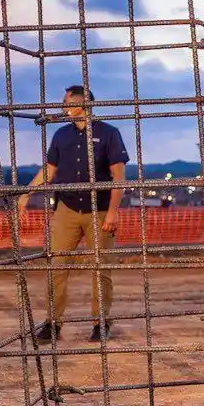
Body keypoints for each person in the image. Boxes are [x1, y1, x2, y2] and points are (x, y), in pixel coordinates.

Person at [24, 85, 128, 342]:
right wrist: (25, 193)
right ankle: (52, 323)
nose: (62, 107)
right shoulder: (60, 136)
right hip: (66, 209)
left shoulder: (109, 134)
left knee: (100, 268)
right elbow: (49, 171)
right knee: (56, 266)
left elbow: (118, 178)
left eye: (66, 102)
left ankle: (100, 322)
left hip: (100, 210)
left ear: (80, 104)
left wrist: (113, 213)